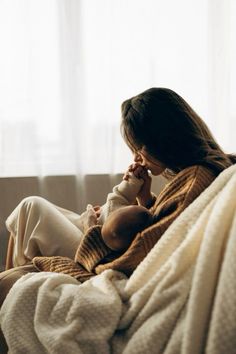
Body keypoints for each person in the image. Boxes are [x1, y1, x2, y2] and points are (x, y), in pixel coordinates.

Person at [5, 87, 236, 276]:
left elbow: (141, 254)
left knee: (30, 208)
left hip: (101, 253)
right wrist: (145, 199)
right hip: (104, 243)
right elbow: (160, 226)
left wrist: (92, 229)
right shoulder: (200, 173)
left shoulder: (195, 179)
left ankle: (14, 282)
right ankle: (15, 278)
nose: (136, 158)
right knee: (31, 214)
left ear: (161, 141)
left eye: (138, 148)